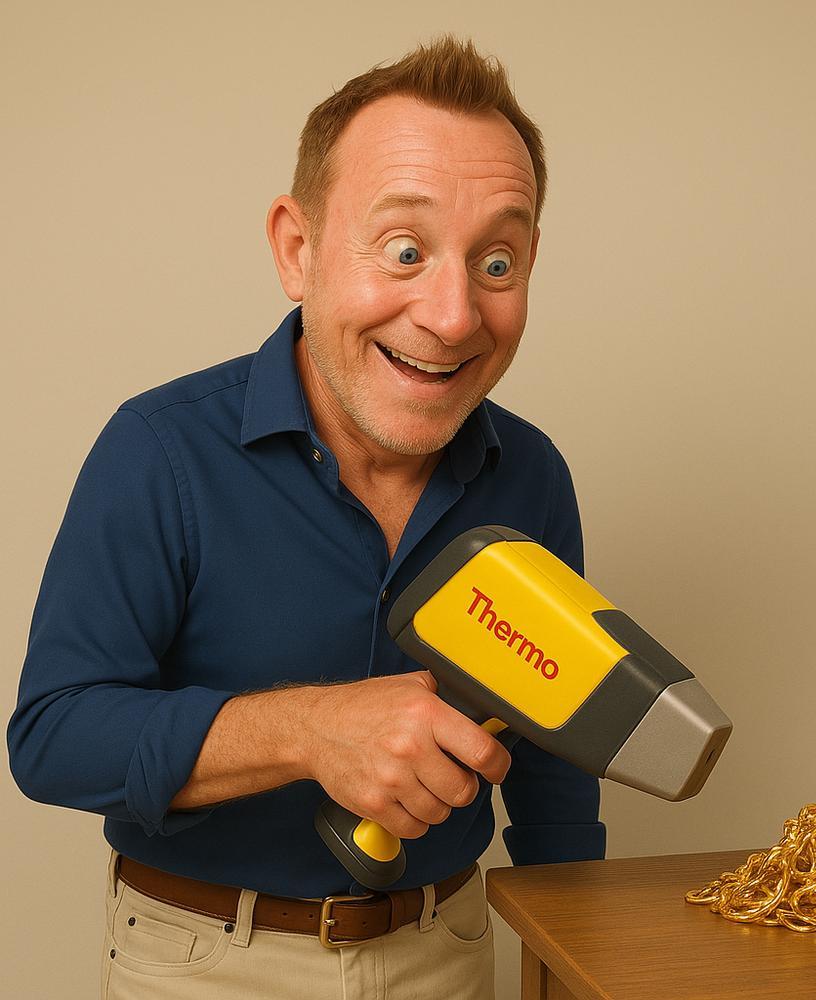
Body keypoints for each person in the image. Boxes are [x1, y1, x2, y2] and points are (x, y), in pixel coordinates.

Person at [8, 34, 605, 1000]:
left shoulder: (533, 478)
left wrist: (576, 963)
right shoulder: (158, 452)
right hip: (198, 968)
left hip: (450, 953)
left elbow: (554, 768)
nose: (454, 315)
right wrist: (309, 731)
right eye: (404, 249)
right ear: (298, 248)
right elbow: (53, 738)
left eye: (497, 261)